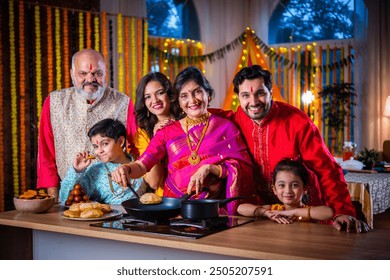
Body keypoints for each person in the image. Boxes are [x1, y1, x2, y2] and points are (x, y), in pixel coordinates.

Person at [231, 64, 370, 233]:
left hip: (307, 215)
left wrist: (342, 211)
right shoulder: (236, 119)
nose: (253, 102)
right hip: (264, 216)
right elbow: (207, 117)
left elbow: (328, 170)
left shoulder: (297, 122)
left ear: (271, 93)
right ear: (238, 97)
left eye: (260, 93)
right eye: (246, 95)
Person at [111, 66, 257, 215]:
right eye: (184, 96)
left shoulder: (225, 127)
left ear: (208, 94)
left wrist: (211, 168)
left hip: (214, 210)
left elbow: (243, 168)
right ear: (179, 102)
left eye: (197, 92)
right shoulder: (166, 132)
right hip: (174, 209)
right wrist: (127, 169)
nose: (192, 100)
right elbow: (143, 164)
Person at [37, 49, 137, 203]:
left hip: (114, 196)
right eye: (82, 74)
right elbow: (46, 152)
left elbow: (134, 151)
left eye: (97, 73)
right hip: (68, 194)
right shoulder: (54, 102)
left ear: (105, 73)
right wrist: (54, 197)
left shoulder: (123, 103)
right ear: (72, 74)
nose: (90, 79)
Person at [59, 119, 147, 205]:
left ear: (120, 141)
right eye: (95, 146)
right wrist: (77, 171)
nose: (99, 151)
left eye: (105, 144)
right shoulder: (96, 171)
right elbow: (66, 200)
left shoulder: (141, 162)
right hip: (110, 218)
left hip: (143, 217)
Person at [238, 158, 334, 223]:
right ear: (274, 189)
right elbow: (240, 208)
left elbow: (328, 213)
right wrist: (265, 213)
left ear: (305, 189)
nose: (288, 190)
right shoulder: (275, 210)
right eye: (282, 185)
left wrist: (293, 212)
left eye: (294, 185)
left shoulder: (308, 211)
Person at [133, 72, 181, 196]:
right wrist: (156, 140)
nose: (155, 100)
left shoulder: (187, 120)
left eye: (160, 93)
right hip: (166, 200)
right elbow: (154, 182)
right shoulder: (143, 133)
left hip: (193, 195)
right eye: (147, 97)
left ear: (169, 94)